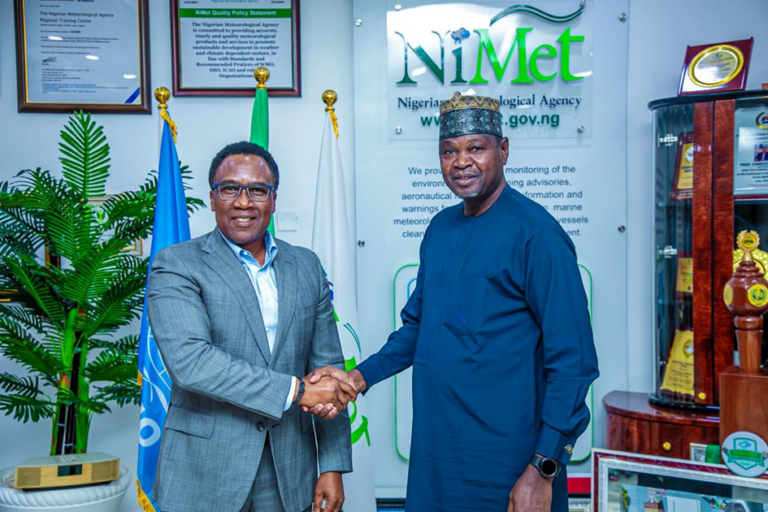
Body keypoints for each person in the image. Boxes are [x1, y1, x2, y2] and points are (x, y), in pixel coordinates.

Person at [309, 93, 599, 511]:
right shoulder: (440, 228)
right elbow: (418, 329)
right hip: (437, 456)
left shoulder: (538, 235)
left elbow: (574, 363)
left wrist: (543, 469)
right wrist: (357, 378)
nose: (461, 162)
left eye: (476, 148)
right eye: (449, 151)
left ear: (503, 150)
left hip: (509, 463)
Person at [147, 141, 355, 512]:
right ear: (213, 198)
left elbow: (328, 369)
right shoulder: (177, 264)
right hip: (204, 472)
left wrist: (333, 465)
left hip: (290, 472)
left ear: (273, 200)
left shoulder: (306, 266)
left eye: (258, 190)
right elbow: (192, 363)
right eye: (230, 189)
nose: (244, 202)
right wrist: (296, 391)